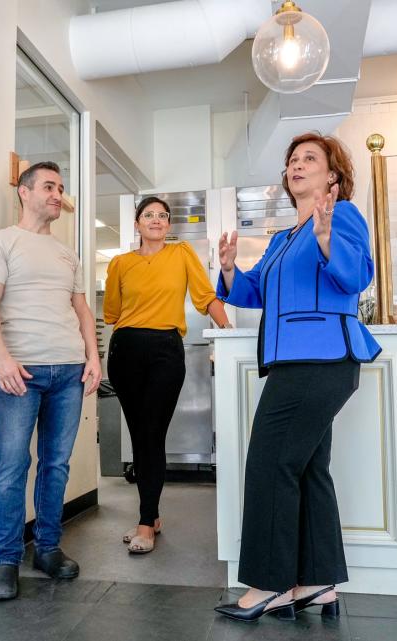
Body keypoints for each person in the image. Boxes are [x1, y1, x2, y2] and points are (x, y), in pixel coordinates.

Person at [213, 133, 381, 622]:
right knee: (307, 469)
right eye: (291, 161)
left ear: (332, 174)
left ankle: (269, 584)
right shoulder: (283, 238)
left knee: (270, 463)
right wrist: (228, 271)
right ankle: (317, 582)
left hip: (323, 360)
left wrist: (328, 240)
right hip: (296, 363)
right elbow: (252, 291)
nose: (297, 165)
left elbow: (355, 277)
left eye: (309, 158)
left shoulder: (342, 215)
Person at [0, 161, 101, 600]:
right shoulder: (0, 244)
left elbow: (82, 310)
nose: (57, 194)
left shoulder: (69, 254)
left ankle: (47, 548)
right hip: (20, 371)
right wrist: (2, 359)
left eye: (60, 187)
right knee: (11, 465)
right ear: (24, 193)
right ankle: (5, 560)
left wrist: (93, 358)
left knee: (56, 464)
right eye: (49, 186)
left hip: (68, 370)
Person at [103, 196, 230, 554]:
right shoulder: (120, 263)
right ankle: (151, 516)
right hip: (125, 351)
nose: (156, 220)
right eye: (149, 215)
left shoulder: (182, 253)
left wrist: (227, 329)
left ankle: (146, 523)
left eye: (162, 216)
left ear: (168, 225)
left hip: (165, 351)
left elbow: (205, 297)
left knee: (151, 434)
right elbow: (111, 313)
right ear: (137, 224)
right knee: (140, 434)